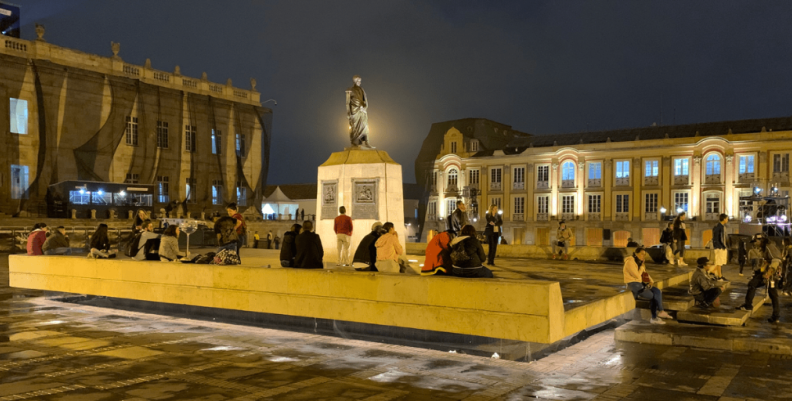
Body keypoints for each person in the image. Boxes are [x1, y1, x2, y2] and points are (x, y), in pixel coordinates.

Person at [736, 237, 781, 323]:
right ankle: (748, 305)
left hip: (771, 274)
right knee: (753, 285)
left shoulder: (769, 246)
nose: (754, 244)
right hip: (767, 273)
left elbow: (776, 260)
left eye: (755, 242)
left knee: (771, 294)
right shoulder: (766, 247)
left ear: (759, 240)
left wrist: (768, 273)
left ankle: (775, 315)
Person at [623, 246, 673, 324]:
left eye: (644, 255)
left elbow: (644, 274)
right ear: (636, 254)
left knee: (657, 291)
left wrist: (651, 281)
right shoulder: (630, 262)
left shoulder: (639, 262)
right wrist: (642, 267)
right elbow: (637, 275)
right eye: (642, 254)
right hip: (633, 285)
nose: (643, 256)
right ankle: (654, 318)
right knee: (653, 296)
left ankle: (661, 311)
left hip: (640, 284)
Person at [711, 213, 729, 280]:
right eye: (727, 219)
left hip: (720, 246)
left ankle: (714, 272)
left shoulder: (719, 226)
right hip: (719, 247)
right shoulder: (720, 227)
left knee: (720, 262)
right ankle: (719, 276)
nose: (727, 220)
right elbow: (719, 238)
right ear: (724, 219)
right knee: (719, 262)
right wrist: (722, 246)